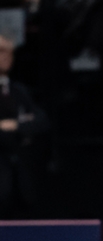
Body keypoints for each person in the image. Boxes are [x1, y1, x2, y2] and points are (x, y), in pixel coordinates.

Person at [0, 32, 49, 218]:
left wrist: (15, 126)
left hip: (22, 178)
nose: (6, 56)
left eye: (10, 52)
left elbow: (42, 121)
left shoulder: (19, 90)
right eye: (1, 51)